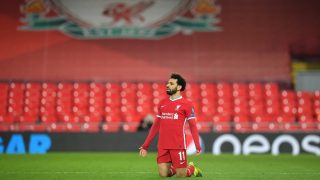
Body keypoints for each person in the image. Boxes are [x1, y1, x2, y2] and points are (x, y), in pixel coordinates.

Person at [139, 73, 202, 177]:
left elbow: (193, 126)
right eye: (168, 83)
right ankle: (174, 168)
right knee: (163, 174)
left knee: (181, 175)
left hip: (178, 145)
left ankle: (191, 167)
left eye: (171, 83)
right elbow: (155, 126)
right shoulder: (162, 103)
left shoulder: (187, 104)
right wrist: (145, 146)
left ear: (179, 87)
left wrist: (197, 145)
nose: (167, 85)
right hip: (163, 145)